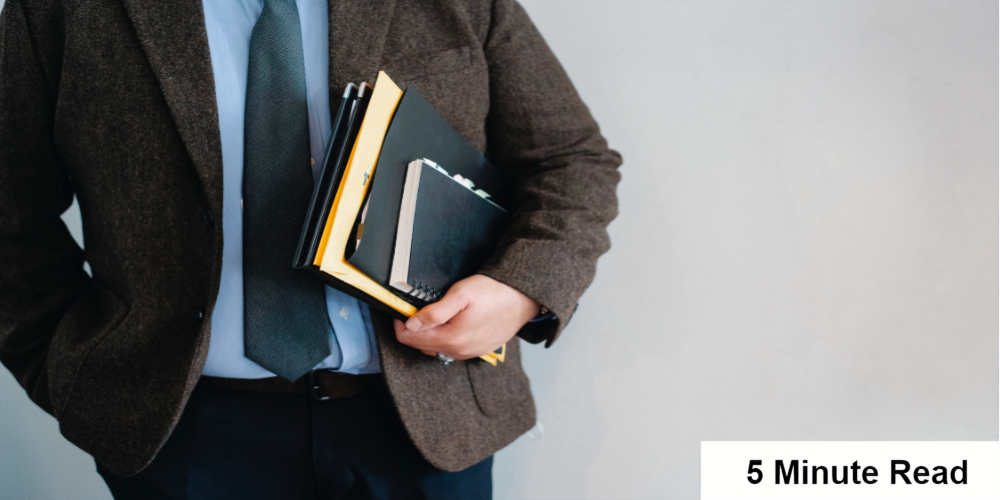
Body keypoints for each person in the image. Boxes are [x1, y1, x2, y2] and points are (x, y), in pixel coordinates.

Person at [0, 0, 621, 498]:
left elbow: (569, 159)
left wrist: (520, 290)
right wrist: (68, 372)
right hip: (183, 435)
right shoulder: (60, 11)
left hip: (424, 422)